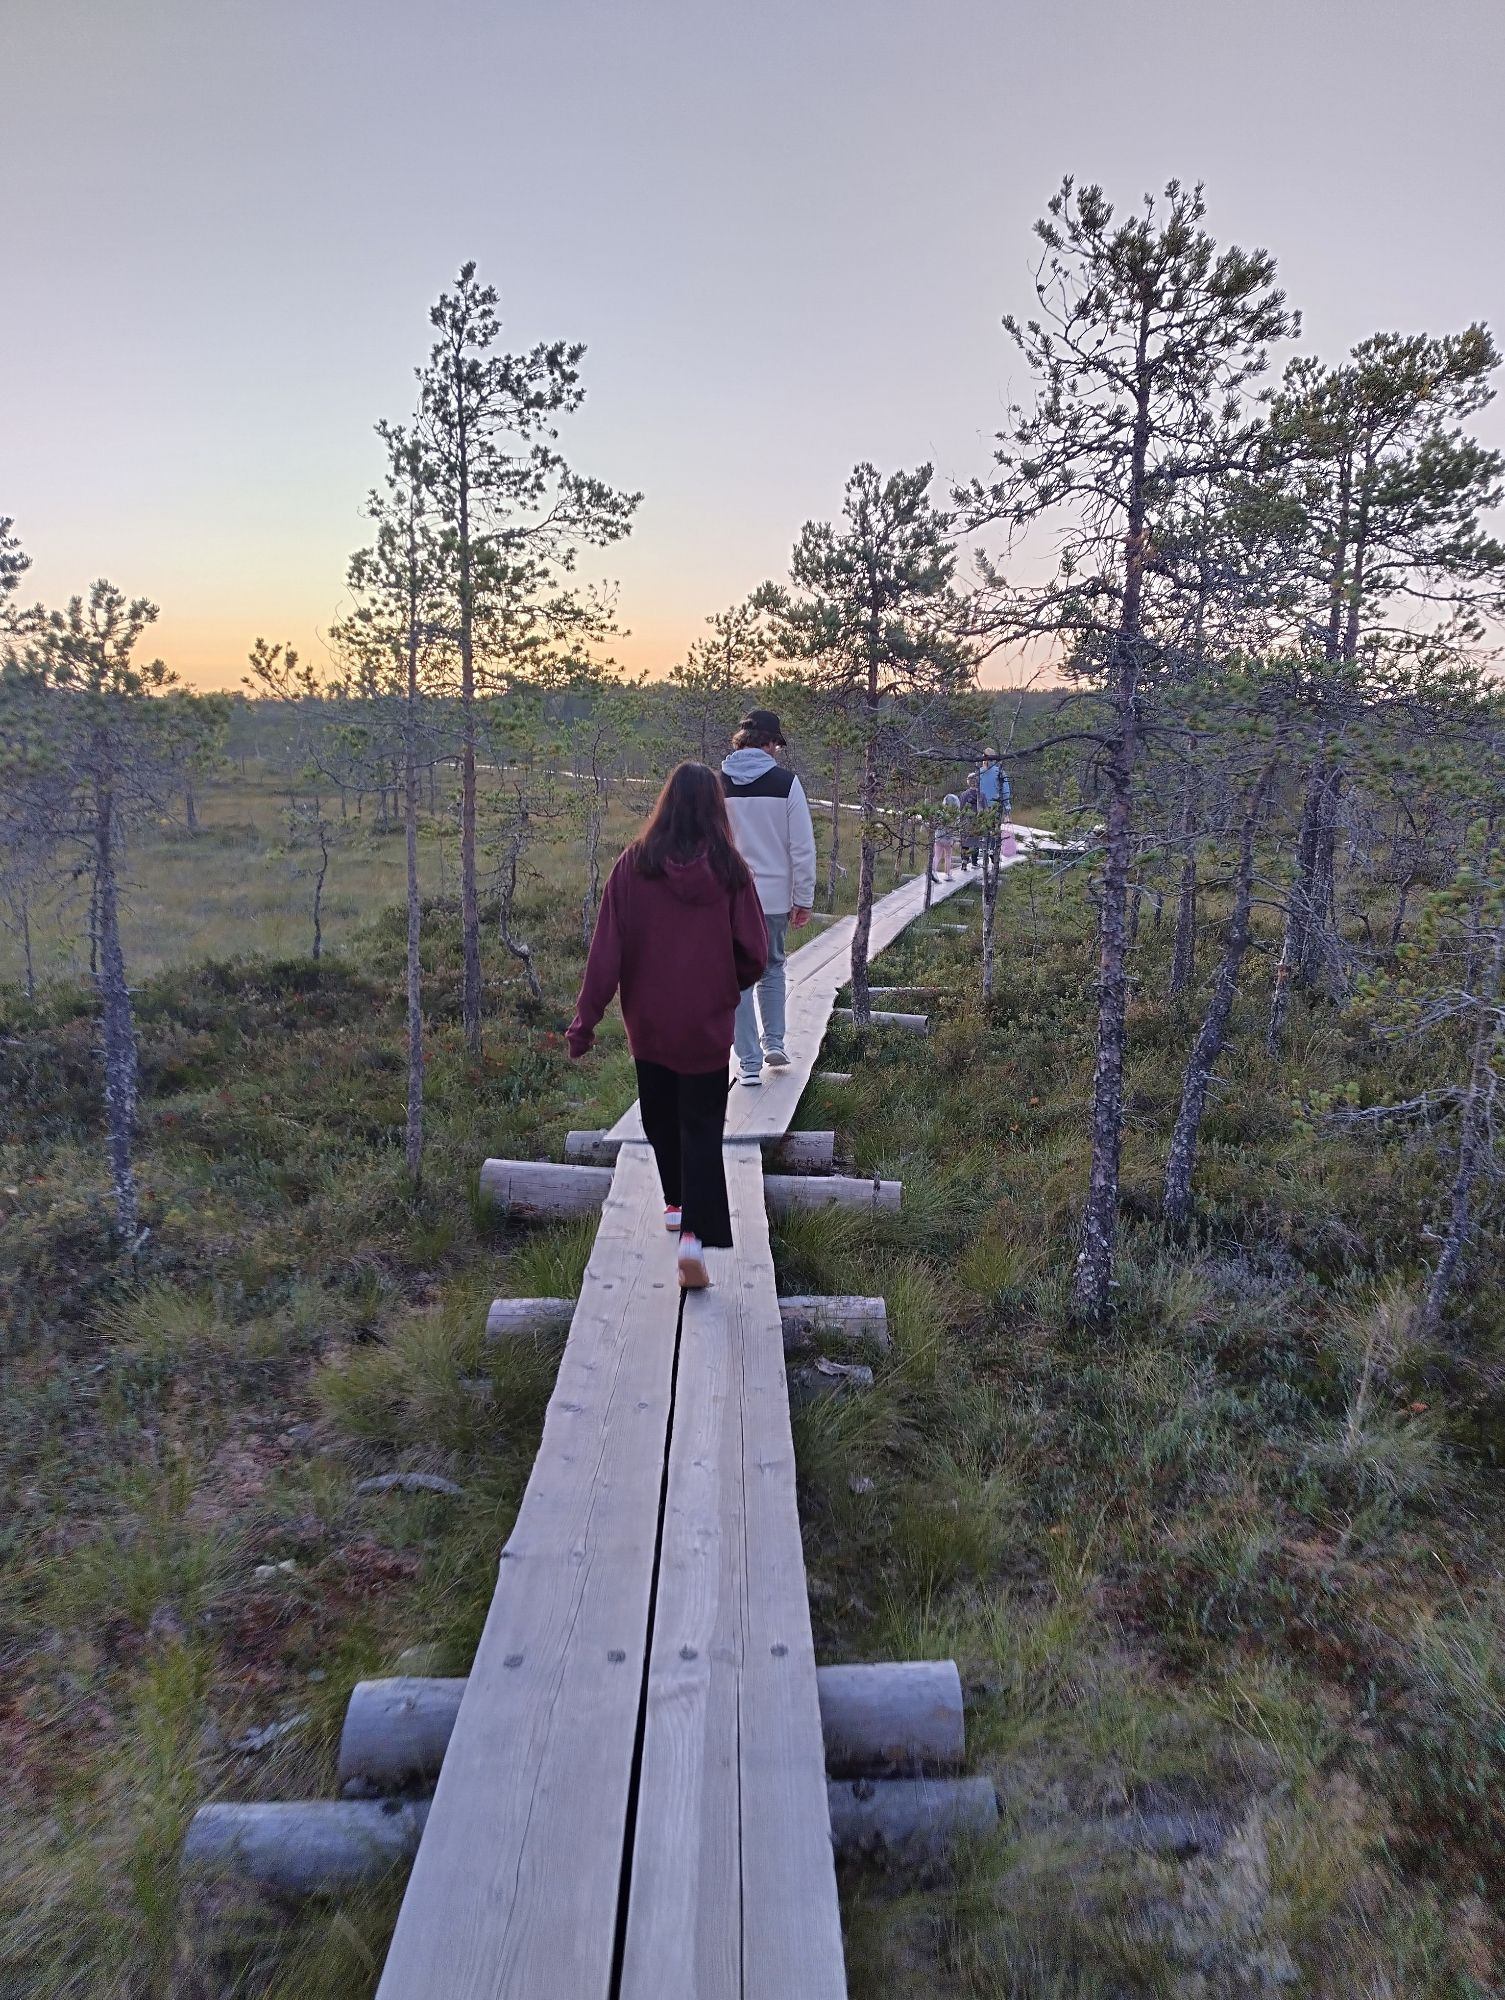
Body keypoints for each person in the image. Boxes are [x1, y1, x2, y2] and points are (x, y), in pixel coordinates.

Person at [567, 762, 768, 1289]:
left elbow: (605, 954)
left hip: (650, 1025)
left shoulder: (633, 867)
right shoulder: (731, 872)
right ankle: (692, 1240)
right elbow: (756, 952)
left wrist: (584, 1024)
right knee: (701, 1127)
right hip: (706, 1025)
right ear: (714, 810)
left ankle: (677, 1206)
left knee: (659, 1118)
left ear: (665, 804)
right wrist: (727, 984)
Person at [719, 708, 817, 1087]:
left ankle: (747, 1064)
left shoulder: (718, 783)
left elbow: (711, 844)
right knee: (773, 966)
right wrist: (802, 898)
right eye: (776, 743)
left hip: (730, 899)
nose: (777, 750)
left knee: (738, 978)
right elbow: (802, 847)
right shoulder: (786, 784)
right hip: (775, 897)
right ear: (767, 742)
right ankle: (773, 1041)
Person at [933, 793, 962, 880]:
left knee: (937, 856)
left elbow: (935, 823)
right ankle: (948, 874)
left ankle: (932, 870)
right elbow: (956, 828)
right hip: (949, 839)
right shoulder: (955, 815)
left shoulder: (940, 812)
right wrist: (956, 839)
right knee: (948, 856)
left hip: (938, 837)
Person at [958, 772, 982, 869]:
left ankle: (964, 861)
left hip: (965, 822)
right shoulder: (981, 795)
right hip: (977, 821)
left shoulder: (964, 795)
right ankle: (974, 862)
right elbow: (984, 809)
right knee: (975, 841)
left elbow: (960, 809)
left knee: (965, 842)